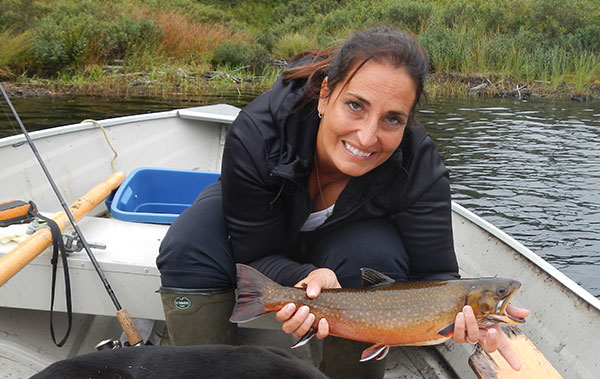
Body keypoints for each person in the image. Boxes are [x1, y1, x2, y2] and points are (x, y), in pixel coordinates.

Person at [156, 27, 529, 378]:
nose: (367, 137)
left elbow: (434, 277)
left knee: (375, 256)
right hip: (261, 223)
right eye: (355, 105)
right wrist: (301, 281)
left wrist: (466, 322)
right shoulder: (257, 132)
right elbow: (256, 252)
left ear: (408, 122)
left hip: (345, 246)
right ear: (324, 94)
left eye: (392, 119)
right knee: (191, 244)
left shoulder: (421, 166)